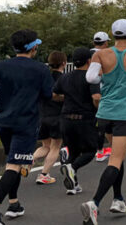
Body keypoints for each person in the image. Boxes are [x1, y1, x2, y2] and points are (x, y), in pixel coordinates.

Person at [79, 19, 126, 225]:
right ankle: (94, 203)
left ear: (113, 36)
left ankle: (118, 199)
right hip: (125, 113)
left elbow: (90, 77)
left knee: (117, 158)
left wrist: (106, 74)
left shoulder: (100, 54)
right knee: (116, 159)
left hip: (104, 113)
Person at [0, 30, 53, 225]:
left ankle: (14, 203)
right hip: (27, 122)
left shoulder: (0, 66)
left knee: (12, 161)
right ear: (33, 47)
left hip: (4, 121)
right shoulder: (40, 69)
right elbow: (48, 94)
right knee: (15, 164)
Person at [53, 47, 100, 195]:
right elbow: (96, 98)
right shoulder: (90, 77)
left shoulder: (65, 77)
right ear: (89, 61)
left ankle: (73, 185)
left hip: (66, 119)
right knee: (91, 150)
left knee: (73, 151)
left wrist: (67, 98)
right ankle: (72, 168)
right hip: (84, 119)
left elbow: (54, 95)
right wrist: (98, 108)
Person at [31, 51, 66, 185]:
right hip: (57, 116)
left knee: (45, 145)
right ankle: (44, 174)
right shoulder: (64, 79)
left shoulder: (43, 78)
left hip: (42, 115)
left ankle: (30, 159)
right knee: (55, 147)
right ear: (64, 63)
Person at [92, 32, 112, 162]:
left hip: (85, 91)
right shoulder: (106, 55)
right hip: (102, 90)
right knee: (102, 123)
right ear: (105, 43)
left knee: (93, 121)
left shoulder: (87, 53)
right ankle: (100, 151)